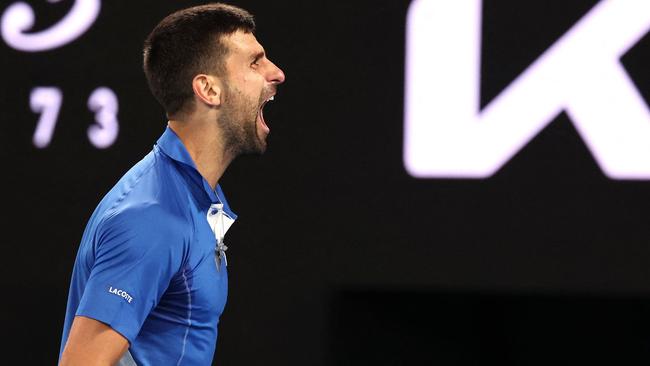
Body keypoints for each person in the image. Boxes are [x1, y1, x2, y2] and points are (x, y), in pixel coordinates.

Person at [58, 3, 285, 365]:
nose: (277, 73)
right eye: (255, 62)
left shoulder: (193, 195)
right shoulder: (152, 217)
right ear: (209, 89)